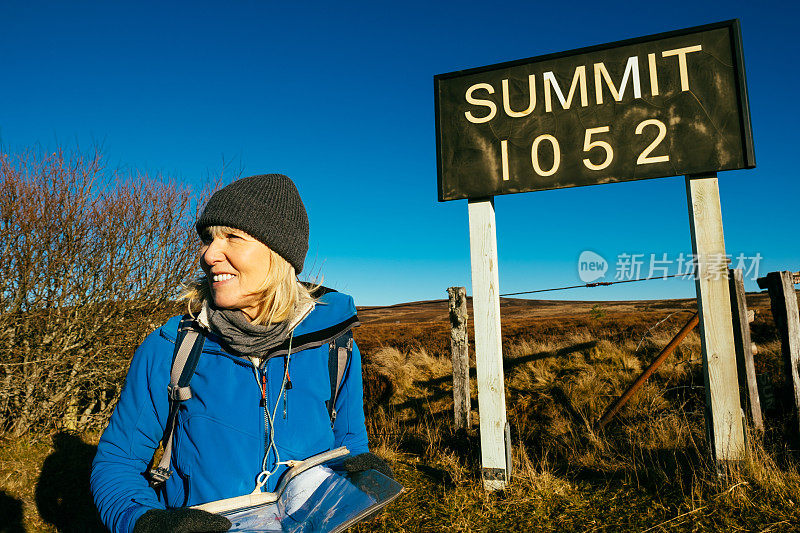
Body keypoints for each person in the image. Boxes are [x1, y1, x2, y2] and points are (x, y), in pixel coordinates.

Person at [91, 174, 390, 533]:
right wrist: (144, 522)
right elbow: (118, 461)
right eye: (207, 239)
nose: (209, 254)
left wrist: (364, 475)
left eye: (232, 237)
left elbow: (350, 443)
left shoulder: (335, 344)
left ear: (279, 253)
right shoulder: (172, 346)